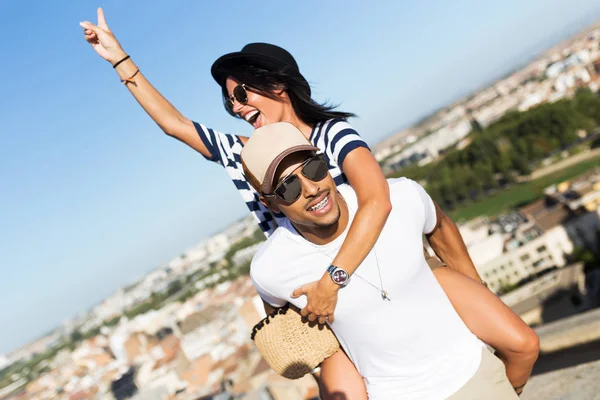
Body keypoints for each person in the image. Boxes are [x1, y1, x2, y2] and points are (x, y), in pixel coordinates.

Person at [80, 8, 538, 398]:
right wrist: (120, 60)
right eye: (229, 102)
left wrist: (332, 280)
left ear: (277, 86)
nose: (236, 107)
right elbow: (176, 125)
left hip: (378, 265)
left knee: (512, 342)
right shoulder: (250, 155)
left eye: (242, 94)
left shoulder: (333, 135)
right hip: (316, 292)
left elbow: (378, 200)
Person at [243, 122, 520, 399]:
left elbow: (441, 228)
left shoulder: (401, 197)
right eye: (288, 187)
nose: (312, 189)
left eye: (314, 168)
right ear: (270, 203)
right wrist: (327, 370)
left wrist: (478, 291)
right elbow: (289, 334)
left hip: (471, 375)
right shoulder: (272, 267)